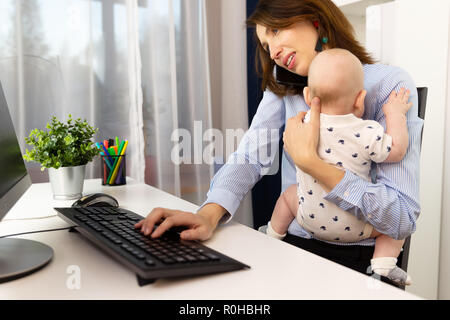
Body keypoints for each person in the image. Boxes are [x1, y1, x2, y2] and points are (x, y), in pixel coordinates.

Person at [135, 0, 422, 284]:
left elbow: (401, 218)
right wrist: (208, 214)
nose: (272, 52)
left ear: (315, 20)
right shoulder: (284, 87)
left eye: (274, 31)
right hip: (292, 244)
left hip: (356, 259)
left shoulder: (389, 85)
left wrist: (310, 162)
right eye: (265, 45)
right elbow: (249, 156)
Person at [261, 48, 412, 286]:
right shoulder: (366, 131)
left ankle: (272, 233)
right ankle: (383, 263)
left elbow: (290, 148)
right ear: (360, 99)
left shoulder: (303, 124)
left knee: (289, 196)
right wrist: (395, 115)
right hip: (354, 228)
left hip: (308, 220)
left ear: (308, 96)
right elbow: (397, 150)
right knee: (394, 228)